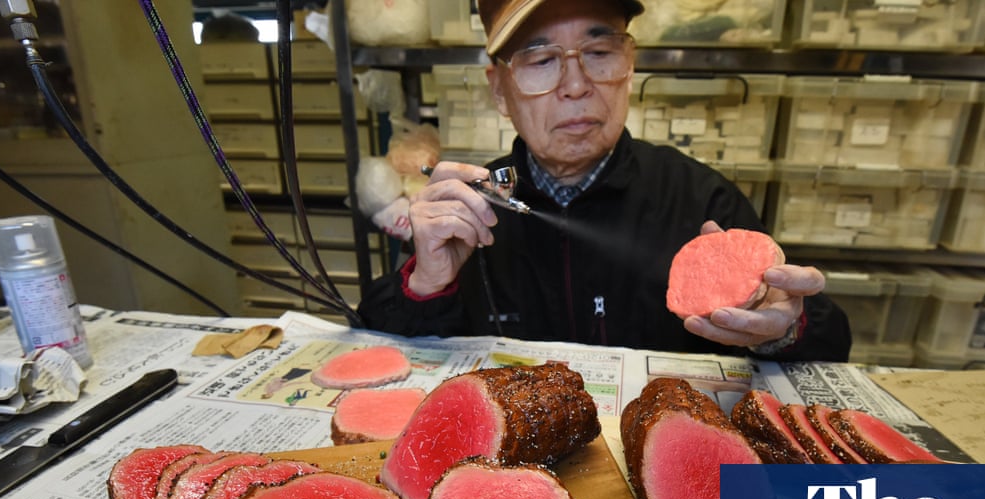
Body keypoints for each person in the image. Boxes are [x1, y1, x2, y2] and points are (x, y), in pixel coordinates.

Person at [358, 0, 852, 362]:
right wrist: (426, 283)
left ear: (630, 65)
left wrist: (782, 326)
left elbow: (830, 342)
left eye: (599, 52)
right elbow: (374, 345)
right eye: (542, 60)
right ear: (500, 91)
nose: (576, 87)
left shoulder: (703, 197)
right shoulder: (465, 208)